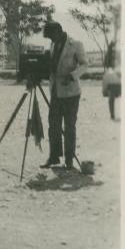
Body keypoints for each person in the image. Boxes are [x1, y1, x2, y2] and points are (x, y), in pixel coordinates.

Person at [41, 21, 88, 170]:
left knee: (69, 127)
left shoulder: (76, 44)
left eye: (52, 36)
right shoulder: (53, 45)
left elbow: (84, 65)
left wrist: (73, 76)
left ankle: (69, 160)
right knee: (53, 126)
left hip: (71, 94)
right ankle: (54, 157)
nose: (51, 40)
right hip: (55, 92)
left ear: (59, 31)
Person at [102, 40, 121, 120]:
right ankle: (112, 115)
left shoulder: (118, 53)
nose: (113, 49)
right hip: (112, 77)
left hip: (117, 76)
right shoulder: (109, 54)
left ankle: (113, 114)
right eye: (112, 47)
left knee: (111, 98)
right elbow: (106, 63)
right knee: (111, 98)